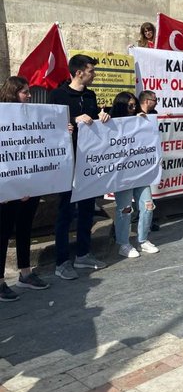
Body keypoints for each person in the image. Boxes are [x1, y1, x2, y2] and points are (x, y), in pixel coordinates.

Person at [49, 54, 110, 278]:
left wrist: (102, 117)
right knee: (66, 211)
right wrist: (74, 120)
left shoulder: (90, 95)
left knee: (86, 209)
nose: (94, 74)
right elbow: (50, 125)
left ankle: (83, 254)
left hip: (88, 161)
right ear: (79, 72)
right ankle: (62, 262)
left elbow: (94, 122)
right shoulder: (58, 95)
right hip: (68, 161)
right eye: (91, 71)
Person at [0, 76, 51, 300]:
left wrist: (63, 130)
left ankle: (26, 273)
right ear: (13, 93)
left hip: (29, 186)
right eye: (25, 92)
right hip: (7, 188)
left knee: (24, 228)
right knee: (2, 233)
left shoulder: (33, 116)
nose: (30, 96)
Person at [110, 92, 160, 258]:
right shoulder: (112, 122)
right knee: (125, 209)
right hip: (123, 173)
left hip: (140, 170)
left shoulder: (140, 118)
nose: (132, 109)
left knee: (148, 205)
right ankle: (123, 243)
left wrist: (142, 121)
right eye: (129, 106)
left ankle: (143, 239)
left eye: (134, 105)